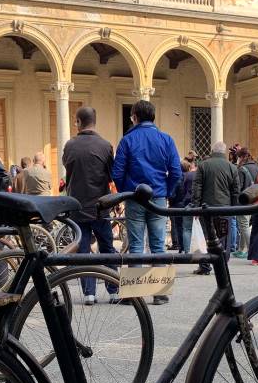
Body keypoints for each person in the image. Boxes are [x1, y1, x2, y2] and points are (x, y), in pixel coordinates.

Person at [111, 99, 182, 304]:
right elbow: (176, 171)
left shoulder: (127, 140)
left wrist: (126, 192)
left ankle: (134, 294)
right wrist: (166, 191)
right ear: (153, 117)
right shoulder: (166, 139)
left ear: (134, 117)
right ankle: (160, 293)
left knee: (135, 246)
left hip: (135, 198)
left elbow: (117, 172)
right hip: (158, 197)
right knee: (158, 245)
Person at [62, 106, 119, 305]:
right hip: (101, 206)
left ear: (78, 121)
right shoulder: (105, 145)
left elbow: (67, 169)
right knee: (107, 248)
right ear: (95, 121)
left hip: (77, 206)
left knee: (83, 250)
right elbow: (112, 174)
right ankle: (113, 290)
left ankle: (89, 293)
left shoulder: (70, 145)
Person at [192, 142, 241, 275]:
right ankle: (222, 266)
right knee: (223, 238)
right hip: (225, 209)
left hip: (206, 208)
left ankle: (205, 265)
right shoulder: (231, 167)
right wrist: (235, 208)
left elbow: (197, 187)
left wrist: (195, 206)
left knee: (206, 237)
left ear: (212, 150)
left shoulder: (203, 165)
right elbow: (236, 190)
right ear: (224, 152)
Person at [234, 148, 258, 258]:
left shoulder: (241, 169)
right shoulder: (256, 167)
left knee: (243, 226)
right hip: (254, 200)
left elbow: (238, 187)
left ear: (242, 157)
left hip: (243, 201)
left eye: (238, 157)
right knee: (245, 226)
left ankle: (252, 250)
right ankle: (241, 249)